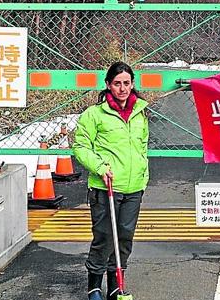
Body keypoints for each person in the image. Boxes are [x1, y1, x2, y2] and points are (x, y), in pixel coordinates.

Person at [73, 61, 149, 300]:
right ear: (108, 85)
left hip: (134, 186)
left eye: (127, 83)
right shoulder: (94, 115)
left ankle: (116, 285)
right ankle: (94, 286)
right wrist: (99, 167)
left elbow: (142, 146)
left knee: (124, 237)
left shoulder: (140, 113)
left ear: (132, 84)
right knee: (105, 236)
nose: (122, 88)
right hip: (105, 186)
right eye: (117, 83)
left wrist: (143, 174)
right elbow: (81, 147)